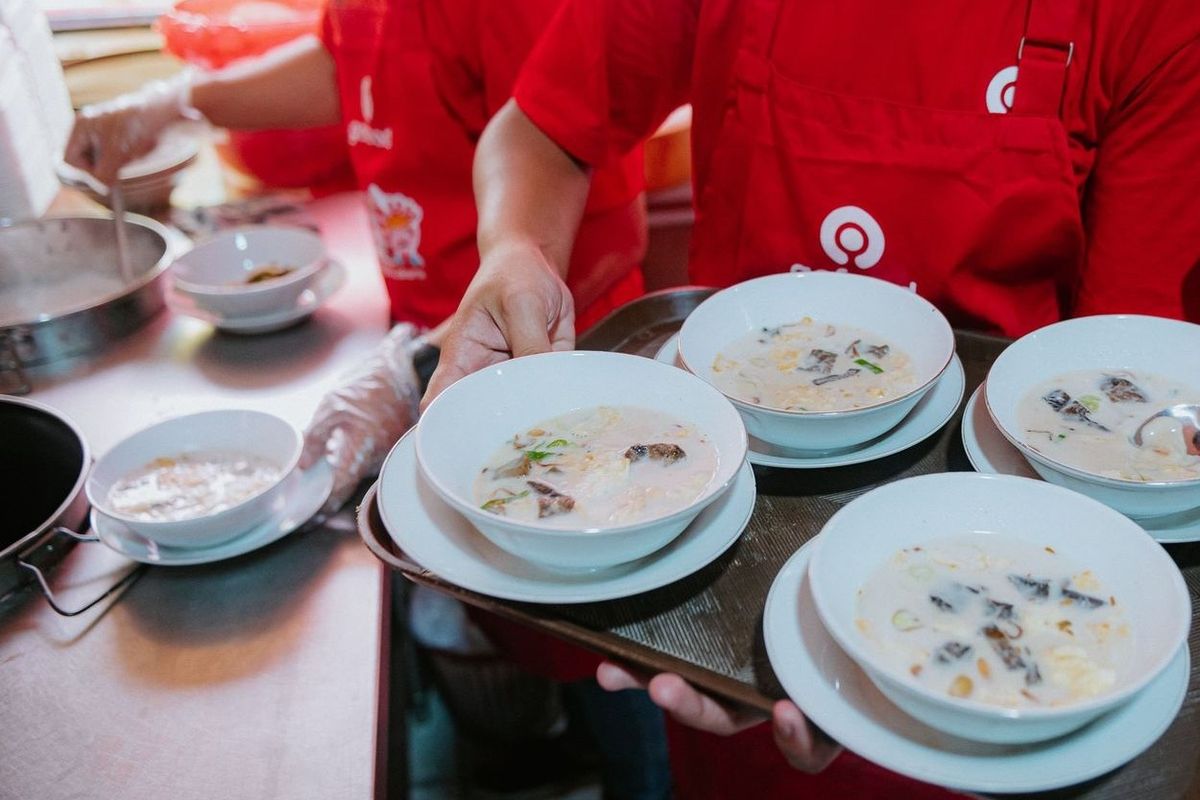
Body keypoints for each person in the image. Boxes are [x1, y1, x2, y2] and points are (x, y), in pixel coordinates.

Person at [424, 0, 1200, 794]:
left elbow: (1126, 384)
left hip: (1000, 542)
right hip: (721, 537)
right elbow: (541, 127)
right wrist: (515, 248)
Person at [66, 2, 672, 797]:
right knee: (510, 615)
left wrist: (422, 363)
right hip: (436, 352)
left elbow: (568, 166)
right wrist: (177, 100)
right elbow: (350, 62)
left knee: (610, 657)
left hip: (554, 367)